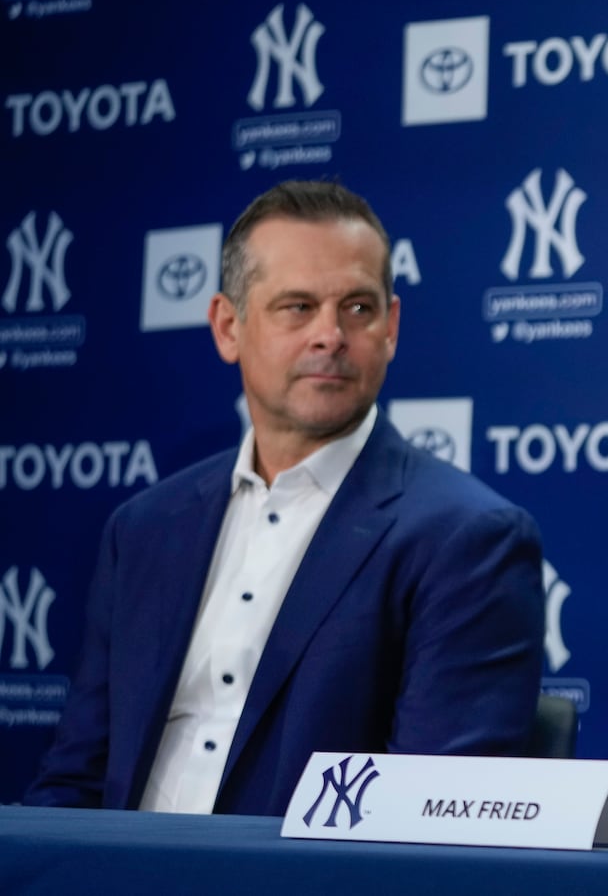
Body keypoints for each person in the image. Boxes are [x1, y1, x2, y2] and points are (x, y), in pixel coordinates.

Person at [25, 180, 546, 816]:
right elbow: (76, 780)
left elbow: (431, 820)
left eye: (358, 308)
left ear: (392, 327)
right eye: (297, 307)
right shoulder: (142, 530)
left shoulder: (467, 538)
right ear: (227, 326)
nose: (330, 335)